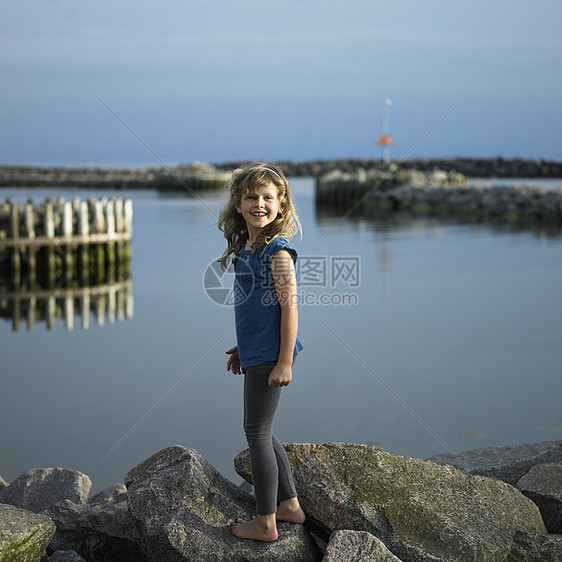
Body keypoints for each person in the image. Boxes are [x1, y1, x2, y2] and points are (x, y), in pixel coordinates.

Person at [218, 162, 306, 542]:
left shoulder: (278, 252)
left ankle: (266, 521)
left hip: (273, 354)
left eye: (267, 197)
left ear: (281, 204)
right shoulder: (248, 249)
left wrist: (284, 360)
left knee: (255, 431)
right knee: (263, 430)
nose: (259, 204)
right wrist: (245, 346)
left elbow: (290, 309)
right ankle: (289, 506)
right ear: (238, 204)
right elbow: (258, 308)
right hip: (259, 350)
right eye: (251, 197)